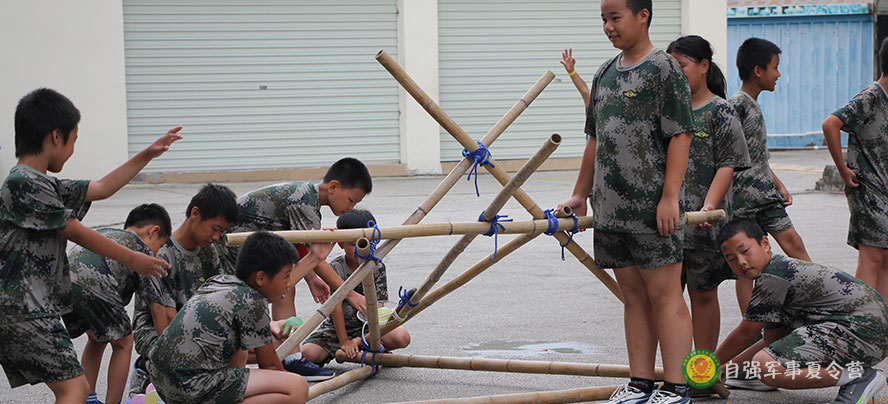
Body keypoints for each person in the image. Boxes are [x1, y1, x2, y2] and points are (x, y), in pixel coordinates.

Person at [0, 88, 178, 404]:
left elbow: (100, 188)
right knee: (74, 390)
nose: (72, 151)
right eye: (74, 141)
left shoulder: (41, 182)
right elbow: (76, 231)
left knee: (76, 390)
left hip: (31, 307)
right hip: (23, 308)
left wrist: (147, 155)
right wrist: (136, 258)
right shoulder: (23, 182)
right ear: (56, 136)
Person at [559, 1, 696, 402]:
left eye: (615, 18)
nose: (608, 27)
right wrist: (581, 194)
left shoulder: (664, 69)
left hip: (654, 210)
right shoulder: (604, 73)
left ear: (643, 16)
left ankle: (675, 387)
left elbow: (681, 135)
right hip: (610, 210)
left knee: (665, 296)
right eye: (603, 19)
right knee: (633, 297)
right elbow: (594, 139)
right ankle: (639, 382)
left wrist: (670, 196)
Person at [219, 157, 372, 378]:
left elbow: (301, 247)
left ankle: (289, 357)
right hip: (233, 248)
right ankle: (276, 358)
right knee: (263, 296)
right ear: (333, 187)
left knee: (286, 287)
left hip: (255, 246)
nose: (351, 208)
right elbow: (316, 256)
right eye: (350, 200)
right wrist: (350, 294)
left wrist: (311, 279)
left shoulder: (307, 197)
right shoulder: (304, 201)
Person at [714, 219, 888, 404]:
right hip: (868, 334)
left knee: (764, 366)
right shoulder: (778, 270)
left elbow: (747, 334)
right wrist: (723, 370)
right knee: (767, 361)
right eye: (731, 259)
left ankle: (859, 378)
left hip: (860, 331)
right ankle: (856, 376)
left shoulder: (773, 277)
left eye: (745, 251)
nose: (741, 262)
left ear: (765, 244)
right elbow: (771, 340)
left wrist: (707, 366)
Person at [666, 35, 751, 361]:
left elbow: (727, 164)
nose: (676, 74)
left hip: (704, 222)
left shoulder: (721, 111)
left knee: (703, 294)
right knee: (668, 298)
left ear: (703, 67)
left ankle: (700, 369)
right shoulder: (669, 113)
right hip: (669, 221)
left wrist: (709, 206)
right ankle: (674, 369)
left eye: (682, 66)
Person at [148, 231, 308, 404]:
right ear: (261, 278)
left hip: (162, 380)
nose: (289, 283)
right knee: (297, 387)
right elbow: (270, 366)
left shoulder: (220, 282)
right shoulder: (253, 300)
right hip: (190, 386)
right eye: (286, 276)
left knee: (243, 346)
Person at [128, 183, 238, 396]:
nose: (216, 237)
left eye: (222, 232)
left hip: (195, 328)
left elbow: (220, 300)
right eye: (215, 229)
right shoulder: (162, 253)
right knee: (189, 360)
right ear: (195, 213)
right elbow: (165, 318)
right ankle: (147, 369)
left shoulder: (210, 252)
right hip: (158, 331)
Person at [63, 204, 172, 404]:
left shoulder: (108, 235)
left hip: (64, 282)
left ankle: (89, 399)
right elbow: (157, 306)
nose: (157, 252)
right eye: (160, 245)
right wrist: (165, 350)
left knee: (97, 339)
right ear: (153, 231)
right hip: (95, 282)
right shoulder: (142, 249)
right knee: (124, 343)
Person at [822, 36, 888, 299]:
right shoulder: (871, 96)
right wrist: (842, 169)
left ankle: (880, 324)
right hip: (868, 189)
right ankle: (863, 323)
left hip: (884, 190)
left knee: (885, 260)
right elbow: (830, 124)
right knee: (872, 258)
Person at [301, 209, 411, 367]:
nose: (360, 249)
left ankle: (366, 346)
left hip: (367, 328)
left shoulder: (377, 267)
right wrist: (344, 341)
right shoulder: (335, 268)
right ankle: (349, 349)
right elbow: (335, 306)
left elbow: (379, 307)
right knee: (307, 354)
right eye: (354, 244)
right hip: (336, 329)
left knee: (402, 337)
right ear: (341, 243)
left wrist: (359, 341)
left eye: (366, 243)